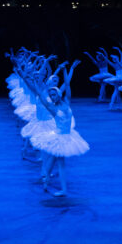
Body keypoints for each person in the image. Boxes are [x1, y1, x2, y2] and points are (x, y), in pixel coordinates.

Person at [31, 64, 89, 197]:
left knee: (54, 159)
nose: (52, 96)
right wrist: (34, 81)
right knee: (59, 162)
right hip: (59, 137)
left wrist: (66, 70)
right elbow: (39, 93)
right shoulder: (53, 108)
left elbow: (68, 85)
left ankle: (46, 180)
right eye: (50, 95)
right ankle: (60, 188)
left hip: (68, 136)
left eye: (54, 94)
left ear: (58, 93)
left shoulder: (67, 102)